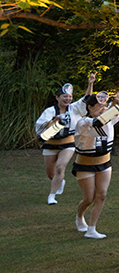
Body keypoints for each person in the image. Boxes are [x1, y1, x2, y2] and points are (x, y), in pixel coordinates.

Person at [73, 68, 119, 239]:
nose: (102, 109)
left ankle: (92, 228)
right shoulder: (84, 122)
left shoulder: (109, 117)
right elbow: (100, 121)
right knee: (88, 198)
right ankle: (79, 216)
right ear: (89, 107)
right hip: (85, 163)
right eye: (99, 106)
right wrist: (115, 104)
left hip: (105, 162)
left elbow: (116, 107)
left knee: (102, 194)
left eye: (104, 106)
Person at [35, 73, 93, 204]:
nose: (67, 99)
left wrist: (90, 84)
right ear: (57, 97)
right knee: (51, 174)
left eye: (69, 97)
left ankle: (52, 196)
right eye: (64, 96)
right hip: (50, 144)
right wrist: (53, 121)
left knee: (60, 168)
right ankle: (60, 181)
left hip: (68, 143)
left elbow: (86, 99)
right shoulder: (49, 111)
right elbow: (39, 127)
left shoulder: (74, 109)